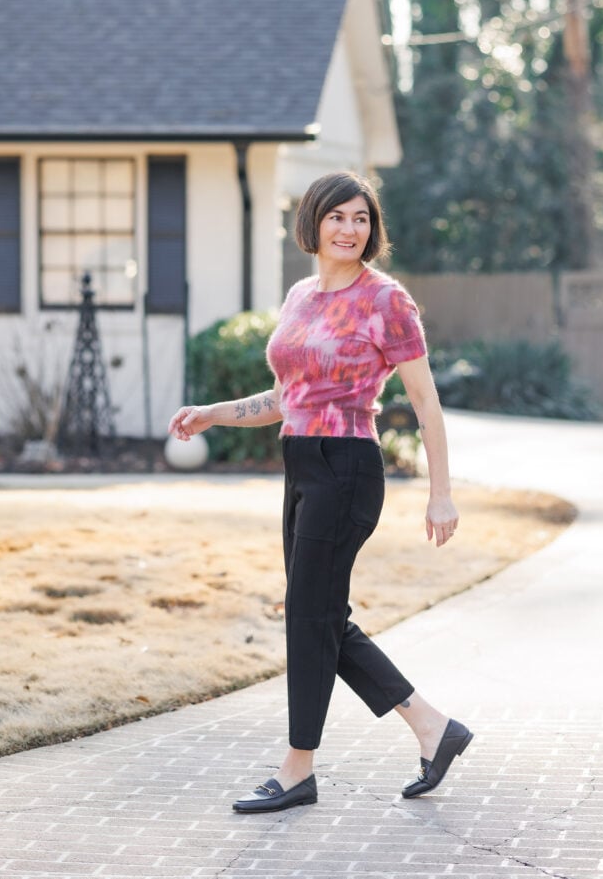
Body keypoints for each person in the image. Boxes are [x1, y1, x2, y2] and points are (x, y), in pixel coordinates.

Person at [168, 171, 473, 814]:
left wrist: (440, 493)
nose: (349, 229)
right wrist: (212, 412)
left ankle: (297, 768)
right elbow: (286, 400)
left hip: (348, 469)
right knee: (320, 616)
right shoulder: (301, 296)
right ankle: (432, 728)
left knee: (310, 617)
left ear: (373, 229)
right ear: (314, 223)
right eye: (337, 217)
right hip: (302, 463)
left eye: (361, 219)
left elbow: (426, 402)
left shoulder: (387, 301)